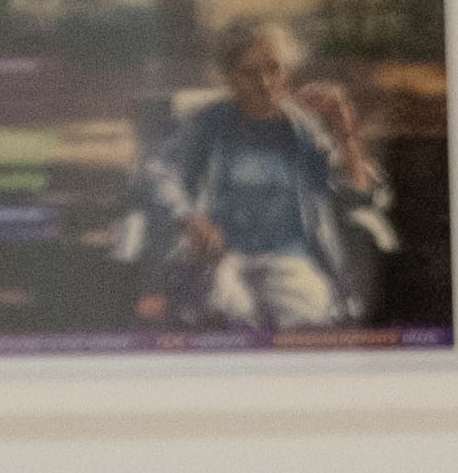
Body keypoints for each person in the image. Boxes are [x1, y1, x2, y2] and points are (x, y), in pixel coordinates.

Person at [138, 19, 392, 334]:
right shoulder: (208, 123)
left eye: (274, 69)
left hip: (291, 261)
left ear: (287, 73)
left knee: (305, 321)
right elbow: (158, 170)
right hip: (223, 260)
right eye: (249, 72)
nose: (265, 82)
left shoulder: (304, 129)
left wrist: (344, 127)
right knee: (228, 321)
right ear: (230, 78)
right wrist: (187, 217)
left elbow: (359, 191)